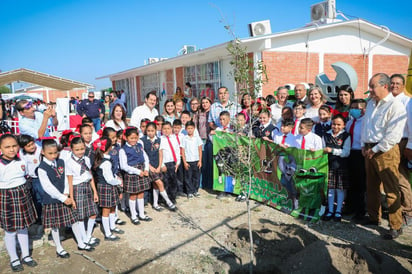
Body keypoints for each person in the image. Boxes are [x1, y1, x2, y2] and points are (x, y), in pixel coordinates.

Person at [361, 73, 406, 240]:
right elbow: (366, 125)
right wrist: (363, 145)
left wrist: (376, 148)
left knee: (391, 189)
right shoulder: (371, 103)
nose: (370, 90)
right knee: (371, 187)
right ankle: (374, 218)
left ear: (384, 86)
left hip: (385, 152)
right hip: (369, 150)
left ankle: (396, 226)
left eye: (373, 86)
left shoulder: (395, 106)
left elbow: (394, 134)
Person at [38, 139, 94, 260]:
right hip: (53, 200)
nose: (53, 156)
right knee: (55, 225)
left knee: (73, 220)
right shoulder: (41, 168)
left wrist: (67, 192)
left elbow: (66, 179)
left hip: (65, 196)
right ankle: (59, 247)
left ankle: (81, 242)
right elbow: (48, 187)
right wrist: (62, 197)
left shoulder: (61, 162)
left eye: (55, 153)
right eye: (50, 153)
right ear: (43, 152)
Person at [0, 134, 38, 272]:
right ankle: (14, 258)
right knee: (10, 230)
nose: (11, 149)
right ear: (1, 148)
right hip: (6, 196)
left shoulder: (21, 160)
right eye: (7, 147)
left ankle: (26, 255)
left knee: (23, 226)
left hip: (22, 193)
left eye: (14, 146)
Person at [66, 137, 99, 247]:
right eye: (77, 150)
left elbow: (90, 176)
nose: (80, 152)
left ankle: (88, 235)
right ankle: (83, 238)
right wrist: (72, 198)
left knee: (93, 213)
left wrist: (95, 191)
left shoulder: (87, 159)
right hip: (77, 189)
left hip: (88, 187)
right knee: (80, 216)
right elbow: (70, 182)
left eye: (82, 149)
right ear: (71, 149)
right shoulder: (69, 163)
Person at [390, 73, 412, 225]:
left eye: (398, 83)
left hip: (403, 141)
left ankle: (408, 210)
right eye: (392, 83)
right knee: (392, 177)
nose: (395, 86)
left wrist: (410, 145)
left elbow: (410, 124)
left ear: (403, 85)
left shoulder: (407, 101)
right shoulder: (389, 101)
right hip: (390, 142)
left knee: (401, 176)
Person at [119, 127, 152, 225]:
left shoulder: (140, 146)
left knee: (141, 193)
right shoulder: (123, 150)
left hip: (142, 170)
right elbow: (124, 166)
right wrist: (137, 172)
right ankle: (134, 216)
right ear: (126, 138)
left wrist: (146, 169)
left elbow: (146, 158)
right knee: (133, 195)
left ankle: (141, 214)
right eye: (131, 138)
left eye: (135, 138)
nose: (133, 140)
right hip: (132, 173)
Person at [322, 114, 351, 222]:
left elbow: (346, 152)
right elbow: (322, 149)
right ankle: (330, 210)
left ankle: (338, 211)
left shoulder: (346, 136)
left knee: (340, 189)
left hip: (341, 165)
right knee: (330, 188)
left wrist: (333, 150)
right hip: (329, 165)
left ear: (344, 125)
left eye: (339, 125)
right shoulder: (325, 135)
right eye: (334, 124)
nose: (336, 127)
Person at [93, 137, 123, 241]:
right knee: (106, 210)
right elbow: (109, 179)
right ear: (109, 147)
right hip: (106, 187)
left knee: (112, 208)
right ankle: (108, 233)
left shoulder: (103, 159)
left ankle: (112, 226)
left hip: (107, 186)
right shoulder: (105, 162)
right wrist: (119, 182)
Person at [141, 122, 176, 211]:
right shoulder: (143, 140)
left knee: (156, 185)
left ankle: (155, 204)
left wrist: (160, 165)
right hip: (149, 166)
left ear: (156, 131)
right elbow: (143, 155)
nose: (150, 133)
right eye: (148, 131)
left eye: (152, 131)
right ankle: (169, 202)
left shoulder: (159, 140)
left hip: (157, 166)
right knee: (160, 183)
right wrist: (149, 167)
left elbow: (160, 153)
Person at [346, 99, 367, 220]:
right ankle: (351, 207)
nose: (354, 110)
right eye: (352, 107)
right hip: (350, 153)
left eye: (357, 108)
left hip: (360, 153)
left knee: (360, 183)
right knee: (351, 181)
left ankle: (361, 210)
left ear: (363, 109)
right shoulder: (349, 123)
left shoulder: (365, 122)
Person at [18, 134, 44, 223]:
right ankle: (40, 217)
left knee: (43, 197)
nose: (32, 147)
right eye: (28, 146)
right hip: (30, 179)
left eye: (32, 144)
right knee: (35, 199)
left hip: (40, 178)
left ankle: (46, 216)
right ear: (23, 147)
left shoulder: (39, 149)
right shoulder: (22, 153)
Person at [159, 121, 181, 203]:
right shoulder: (160, 139)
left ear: (171, 129)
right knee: (165, 182)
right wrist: (162, 164)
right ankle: (165, 199)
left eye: (168, 128)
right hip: (165, 163)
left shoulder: (174, 138)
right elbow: (159, 153)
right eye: (164, 129)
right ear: (161, 130)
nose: (166, 130)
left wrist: (178, 162)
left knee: (173, 181)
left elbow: (177, 150)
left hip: (173, 162)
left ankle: (173, 197)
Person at [181, 121, 203, 198]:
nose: (190, 130)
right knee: (188, 177)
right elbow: (182, 151)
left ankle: (195, 190)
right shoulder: (184, 138)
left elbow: (200, 149)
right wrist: (184, 162)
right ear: (186, 129)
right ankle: (189, 191)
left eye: (191, 128)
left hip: (196, 160)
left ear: (194, 129)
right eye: (188, 128)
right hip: (188, 161)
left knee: (196, 176)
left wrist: (200, 161)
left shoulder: (197, 138)